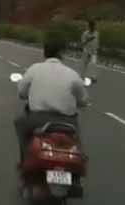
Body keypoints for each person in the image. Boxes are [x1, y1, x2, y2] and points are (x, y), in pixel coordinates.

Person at [13, 35, 90, 164]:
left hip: (37, 119)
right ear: (62, 53)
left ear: (45, 52)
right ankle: (79, 155)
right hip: (67, 121)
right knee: (76, 132)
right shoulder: (72, 74)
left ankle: (25, 159)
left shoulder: (34, 69)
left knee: (19, 123)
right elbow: (83, 100)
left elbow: (21, 93)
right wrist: (80, 103)